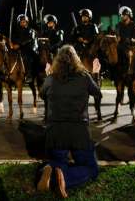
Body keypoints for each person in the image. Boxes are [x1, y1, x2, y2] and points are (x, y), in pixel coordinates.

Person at [38, 45, 101, 198]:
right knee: (91, 169)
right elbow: (98, 94)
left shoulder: (51, 78)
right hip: (79, 133)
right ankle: (64, 177)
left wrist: (48, 76)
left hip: (55, 133)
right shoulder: (85, 77)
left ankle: (52, 168)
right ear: (76, 60)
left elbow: (41, 95)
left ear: (57, 61)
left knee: (59, 161)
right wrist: (95, 74)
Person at [12, 14, 38, 82]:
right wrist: (14, 44)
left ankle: (29, 74)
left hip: (28, 48)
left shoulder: (31, 30)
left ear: (27, 22)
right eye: (21, 22)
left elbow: (29, 39)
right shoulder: (16, 31)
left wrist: (19, 45)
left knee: (28, 58)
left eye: (24, 21)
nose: (23, 23)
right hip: (17, 48)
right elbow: (14, 38)